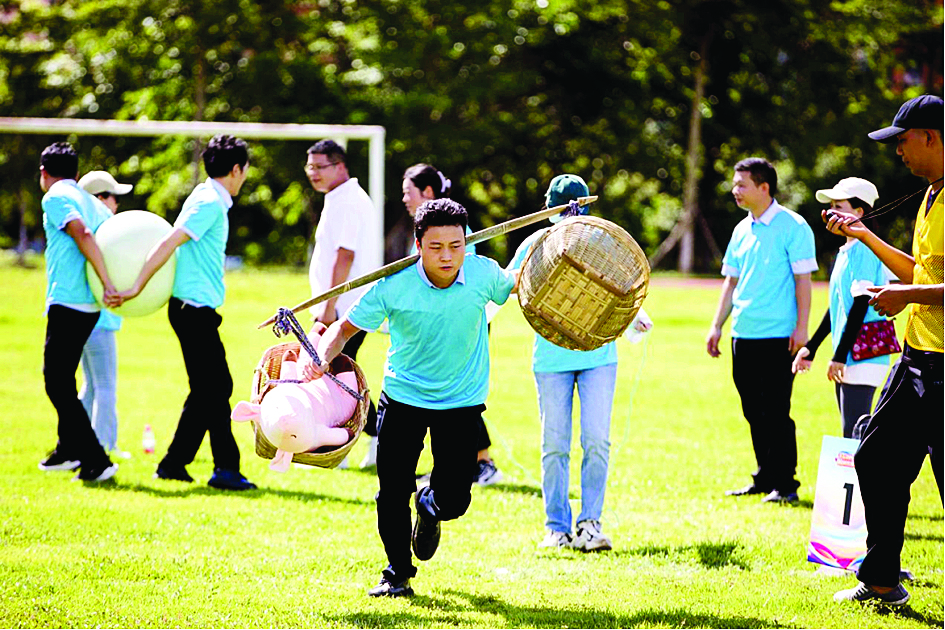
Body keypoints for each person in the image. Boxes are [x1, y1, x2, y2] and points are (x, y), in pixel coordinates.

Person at [303, 199, 517, 598]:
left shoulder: (484, 273)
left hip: (461, 402)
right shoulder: (394, 284)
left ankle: (431, 506)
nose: (447, 256)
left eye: (456, 246)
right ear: (418, 245)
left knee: (455, 500)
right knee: (391, 491)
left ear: (467, 242)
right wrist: (321, 357)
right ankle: (397, 573)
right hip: (403, 398)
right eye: (436, 247)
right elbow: (344, 329)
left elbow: (519, 284)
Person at [829, 95, 943, 607]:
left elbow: (920, 285)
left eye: (902, 140)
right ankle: (880, 580)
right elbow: (920, 272)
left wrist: (908, 295)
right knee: (874, 457)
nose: (897, 151)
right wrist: (863, 235)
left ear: (931, 137)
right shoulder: (930, 196)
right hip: (916, 356)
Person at [507, 174, 652, 551]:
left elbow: (620, 289)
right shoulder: (536, 243)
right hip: (550, 359)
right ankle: (556, 527)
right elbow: (508, 285)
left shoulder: (601, 240)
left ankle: (590, 524)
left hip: (597, 357)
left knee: (596, 440)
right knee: (555, 444)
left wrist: (636, 316)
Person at [114, 135, 256, 491]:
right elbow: (169, 242)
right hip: (192, 310)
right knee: (217, 387)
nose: (244, 177)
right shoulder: (209, 202)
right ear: (236, 169)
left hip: (196, 309)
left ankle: (174, 464)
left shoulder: (209, 197)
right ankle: (225, 469)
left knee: (207, 389)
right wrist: (137, 286)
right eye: (245, 170)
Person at [706, 157, 817, 504]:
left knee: (776, 411)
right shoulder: (741, 230)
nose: (735, 190)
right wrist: (717, 326)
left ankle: (786, 485)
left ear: (764, 187)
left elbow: (803, 282)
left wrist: (802, 328)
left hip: (780, 336)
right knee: (753, 410)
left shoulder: (794, 226)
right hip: (743, 335)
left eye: (742, 184)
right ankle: (764, 477)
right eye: (735, 184)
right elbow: (731, 282)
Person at [402, 163, 502, 485]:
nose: (404, 199)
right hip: (432, 326)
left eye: (408, 192)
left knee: (458, 397)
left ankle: (483, 462)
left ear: (427, 192)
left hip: (460, 323)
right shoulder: (425, 230)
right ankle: (450, 467)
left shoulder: (454, 230)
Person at [36, 142, 120, 483]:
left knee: (56, 382)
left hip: (69, 301)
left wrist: (107, 282)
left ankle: (95, 460)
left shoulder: (55, 196)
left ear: (44, 172)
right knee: (65, 382)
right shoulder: (93, 202)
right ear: (77, 172)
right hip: (90, 306)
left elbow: (82, 233)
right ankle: (68, 451)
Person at [792, 178, 895, 438]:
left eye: (838, 206)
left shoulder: (864, 249)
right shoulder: (847, 249)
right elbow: (837, 308)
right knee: (850, 434)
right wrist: (811, 347)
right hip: (851, 354)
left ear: (859, 212)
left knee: (854, 435)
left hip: (864, 354)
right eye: (831, 206)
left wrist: (839, 356)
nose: (830, 213)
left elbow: (860, 306)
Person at [305, 139, 378, 468]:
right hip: (340, 306)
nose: (314, 173)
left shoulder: (348, 200)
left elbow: (345, 256)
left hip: (345, 307)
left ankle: (344, 445)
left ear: (340, 166)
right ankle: (372, 438)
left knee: (336, 375)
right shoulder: (338, 197)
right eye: (310, 167)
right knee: (339, 374)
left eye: (320, 166)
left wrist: (327, 307)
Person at [76, 171, 134, 457]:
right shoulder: (104, 234)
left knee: (90, 385)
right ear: (99, 199)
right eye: (112, 197)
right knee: (105, 386)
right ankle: (103, 447)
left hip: (84, 320)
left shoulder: (85, 231)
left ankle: (75, 442)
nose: (116, 204)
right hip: (100, 321)